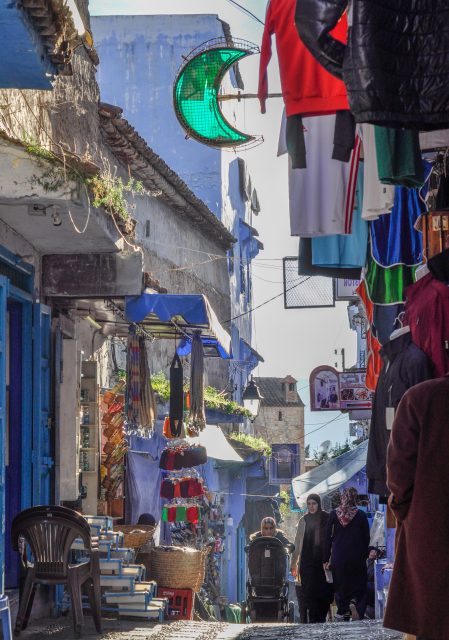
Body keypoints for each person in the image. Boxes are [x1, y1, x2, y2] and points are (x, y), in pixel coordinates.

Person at [384, 376, 449, 640]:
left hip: (432, 531)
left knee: (430, 618)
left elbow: (399, 476)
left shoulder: (419, 398)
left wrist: (409, 513)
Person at [323, 487, 370, 622]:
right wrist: (364, 553)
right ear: (355, 499)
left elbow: (327, 537)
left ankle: (343, 610)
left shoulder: (334, 514)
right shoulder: (361, 515)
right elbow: (366, 537)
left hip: (339, 556)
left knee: (340, 585)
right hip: (357, 556)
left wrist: (325, 558)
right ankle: (354, 603)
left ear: (343, 498)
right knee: (358, 584)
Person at [290, 493, 333, 623]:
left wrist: (331, 560)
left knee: (325, 593)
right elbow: (297, 544)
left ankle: (320, 618)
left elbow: (333, 539)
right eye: (309, 504)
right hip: (307, 564)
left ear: (319, 504)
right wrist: (293, 564)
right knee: (309, 593)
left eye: (314, 503)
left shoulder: (327, 518)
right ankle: (314, 620)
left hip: (323, 563)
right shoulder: (303, 520)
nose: (311, 506)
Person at [365, 546, 379, 618]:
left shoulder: (375, 562)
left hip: (372, 588)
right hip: (370, 590)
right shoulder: (367, 562)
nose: (373, 553)